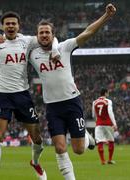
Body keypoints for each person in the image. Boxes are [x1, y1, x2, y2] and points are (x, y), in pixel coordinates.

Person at [0, 11, 59, 180]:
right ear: (2, 26)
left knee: (37, 139)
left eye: (14, 23)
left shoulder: (27, 41)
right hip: (2, 95)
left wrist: (55, 50)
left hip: (22, 95)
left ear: (18, 26)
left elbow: (51, 38)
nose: (11, 26)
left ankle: (35, 162)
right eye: (8, 24)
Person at [28, 4, 116, 179]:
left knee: (78, 150)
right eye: (41, 33)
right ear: (37, 36)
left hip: (72, 103)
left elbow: (88, 33)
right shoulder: (32, 54)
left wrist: (106, 16)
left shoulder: (65, 47)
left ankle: (85, 135)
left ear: (53, 35)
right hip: (52, 107)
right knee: (60, 148)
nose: (44, 35)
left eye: (47, 32)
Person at [92, 88, 117, 165]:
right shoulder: (108, 101)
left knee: (99, 142)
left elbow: (93, 115)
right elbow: (110, 112)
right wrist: (114, 123)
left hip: (99, 124)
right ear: (105, 93)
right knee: (111, 141)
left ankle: (102, 160)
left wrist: (97, 121)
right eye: (108, 93)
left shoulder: (94, 102)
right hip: (108, 124)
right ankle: (109, 159)